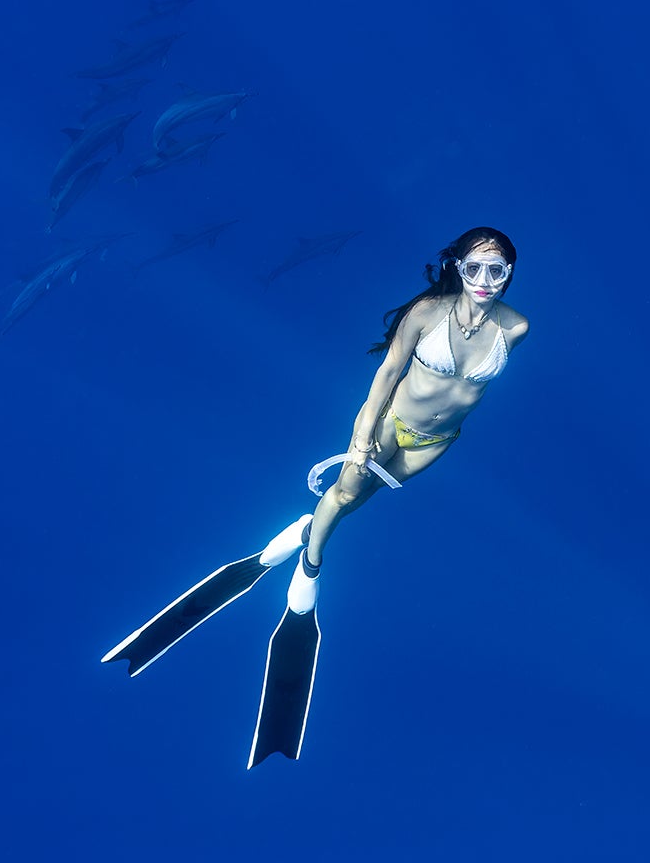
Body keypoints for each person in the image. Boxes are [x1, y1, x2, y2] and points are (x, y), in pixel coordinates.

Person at [101, 227, 527, 767]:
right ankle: (308, 568)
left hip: (437, 443)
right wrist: (358, 438)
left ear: (509, 273)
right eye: (475, 269)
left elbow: (474, 391)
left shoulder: (517, 328)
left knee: (351, 506)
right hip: (391, 426)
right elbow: (386, 374)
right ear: (459, 267)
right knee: (345, 492)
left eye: (498, 271)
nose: (486, 281)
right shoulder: (427, 313)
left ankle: (305, 534)